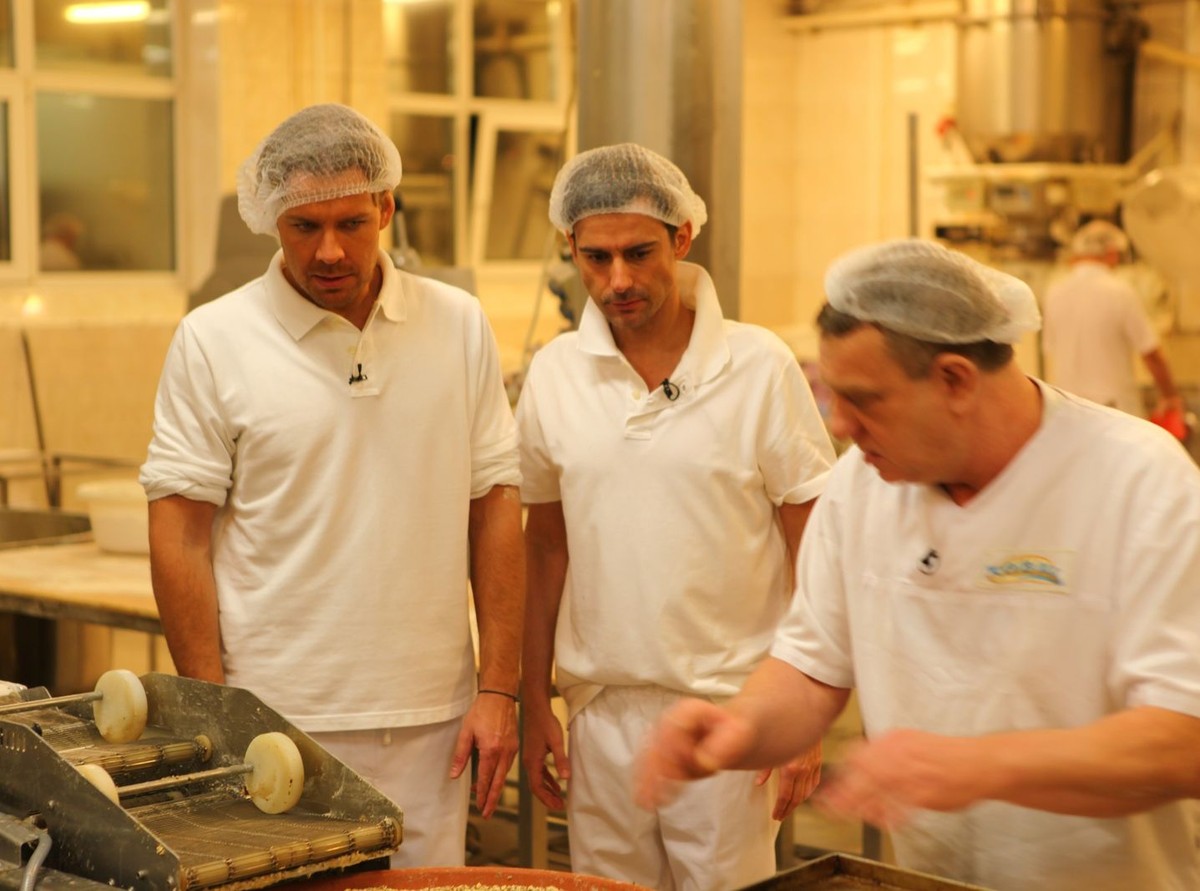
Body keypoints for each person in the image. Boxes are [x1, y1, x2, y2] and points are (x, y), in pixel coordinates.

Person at [636, 238, 1200, 891]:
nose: (841, 425)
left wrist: (977, 766)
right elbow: (811, 669)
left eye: (865, 400)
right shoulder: (862, 485)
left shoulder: (1138, 479)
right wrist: (738, 727)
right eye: (834, 397)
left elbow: (1183, 740)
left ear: (955, 379)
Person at [139, 104, 524, 867]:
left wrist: (499, 688)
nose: (329, 250)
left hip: (431, 720)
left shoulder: (457, 324)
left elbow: (494, 506)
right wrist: (218, 715)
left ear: (387, 207)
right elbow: (178, 531)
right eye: (303, 226)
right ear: (270, 221)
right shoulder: (214, 339)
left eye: (351, 222)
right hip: (277, 721)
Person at [516, 143, 837, 890]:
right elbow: (545, 547)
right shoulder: (556, 374)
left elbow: (814, 541)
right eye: (595, 258)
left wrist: (804, 711)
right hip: (600, 711)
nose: (618, 280)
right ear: (570, 247)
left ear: (682, 238)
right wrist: (534, 698)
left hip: (732, 710)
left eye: (639, 253)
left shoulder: (757, 366)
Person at [1042, 218, 1183, 420]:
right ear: (1111, 253)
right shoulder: (1120, 292)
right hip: (1113, 409)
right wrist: (1170, 395)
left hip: (1069, 409)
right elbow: (1151, 353)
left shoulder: (1054, 292)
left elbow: (1050, 348)